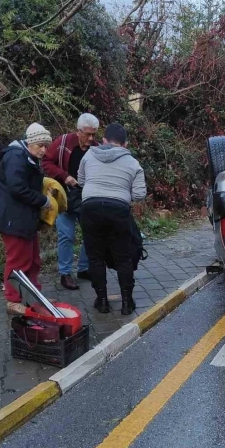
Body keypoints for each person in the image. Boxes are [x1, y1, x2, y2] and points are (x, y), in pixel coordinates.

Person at [79, 123, 147, 315]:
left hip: (90, 208)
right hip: (118, 210)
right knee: (123, 258)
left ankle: (102, 302)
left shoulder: (89, 155)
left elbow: (81, 181)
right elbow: (140, 194)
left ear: (104, 140)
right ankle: (126, 303)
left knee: (95, 257)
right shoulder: (133, 163)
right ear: (125, 144)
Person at [0, 123, 53, 315]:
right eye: (40, 145)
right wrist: (43, 201)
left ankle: (33, 297)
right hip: (12, 219)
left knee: (33, 260)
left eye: (46, 146)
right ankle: (13, 301)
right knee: (18, 261)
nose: (43, 150)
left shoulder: (28, 157)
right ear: (30, 142)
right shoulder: (16, 157)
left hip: (25, 219)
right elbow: (17, 188)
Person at [42, 113, 100, 291]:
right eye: (87, 134)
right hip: (64, 198)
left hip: (87, 199)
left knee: (91, 234)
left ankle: (84, 268)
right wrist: (64, 176)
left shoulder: (97, 149)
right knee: (66, 236)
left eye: (94, 134)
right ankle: (65, 273)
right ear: (78, 131)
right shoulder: (63, 142)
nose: (91, 138)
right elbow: (45, 162)